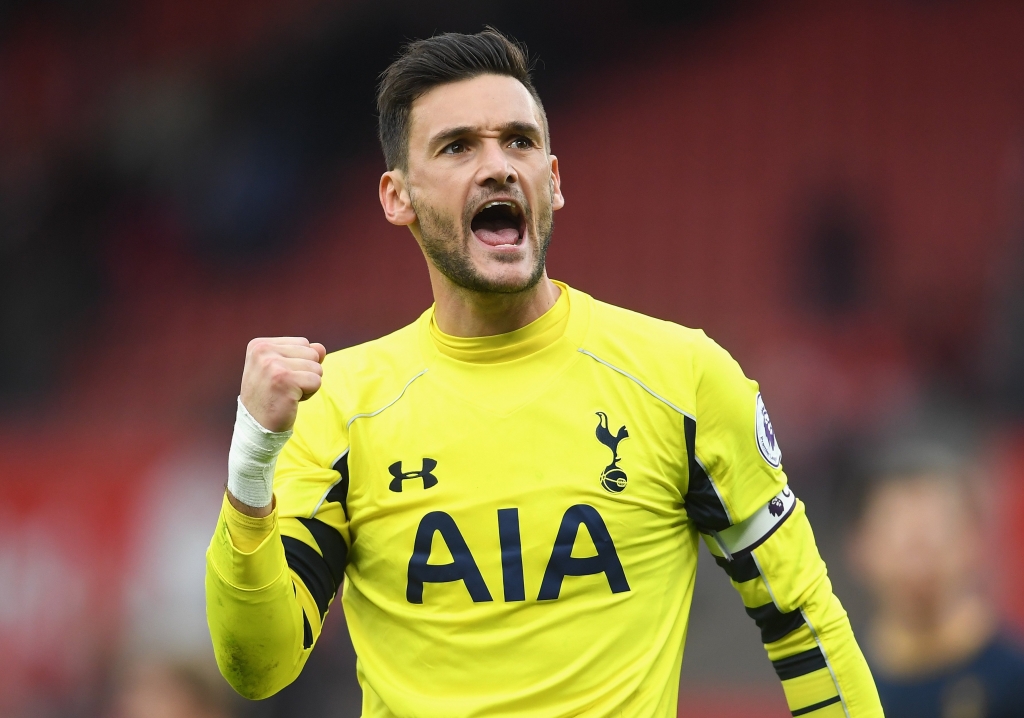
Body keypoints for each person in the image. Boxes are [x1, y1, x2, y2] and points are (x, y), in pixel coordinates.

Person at [204, 28, 883, 717]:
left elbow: (804, 622)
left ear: (552, 183)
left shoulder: (684, 379)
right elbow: (257, 666)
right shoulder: (340, 407)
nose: (498, 166)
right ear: (396, 196)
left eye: (520, 142)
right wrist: (252, 462)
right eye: (458, 146)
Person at [849, 443, 1024, 718]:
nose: (919, 548)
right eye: (897, 528)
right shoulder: (837, 681)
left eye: (937, 527)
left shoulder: (1015, 678)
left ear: (975, 540)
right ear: (860, 546)